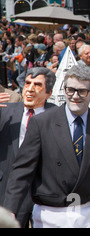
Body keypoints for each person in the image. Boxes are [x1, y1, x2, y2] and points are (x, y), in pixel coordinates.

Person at [2, 65, 90, 227]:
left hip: (89, 215)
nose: (75, 96)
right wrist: (10, 209)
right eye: (70, 90)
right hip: (49, 216)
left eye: (81, 91)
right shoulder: (42, 123)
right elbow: (22, 170)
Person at [0, 67, 56, 227]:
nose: (30, 89)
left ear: (49, 93)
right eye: (27, 83)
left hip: (45, 191)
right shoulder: (5, 111)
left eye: (37, 85)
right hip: (8, 191)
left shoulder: (58, 115)